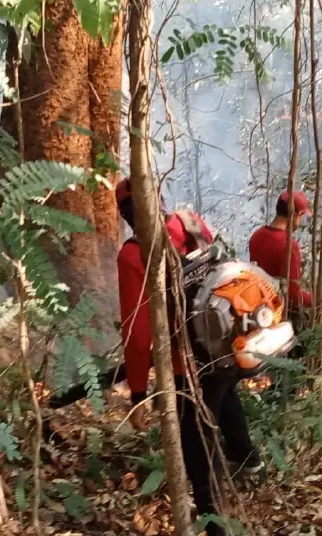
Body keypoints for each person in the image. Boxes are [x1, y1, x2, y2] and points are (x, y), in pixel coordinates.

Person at [114, 179, 262, 535]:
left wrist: (138, 393)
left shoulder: (133, 254)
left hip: (187, 362)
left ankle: (213, 521)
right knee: (225, 397)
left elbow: (137, 335)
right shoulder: (189, 221)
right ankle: (250, 461)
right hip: (230, 338)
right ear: (158, 199)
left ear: (124, 214)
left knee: (196, 441)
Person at [248, 190, 313, 389]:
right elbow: (294, 294)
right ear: (295, 215)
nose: (301, 221)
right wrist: (318, 300)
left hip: (260, 312)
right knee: (294, 367)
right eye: (302, 216)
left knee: (272, 368)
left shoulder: (257, 236)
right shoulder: (289, 245)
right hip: (281, 314)